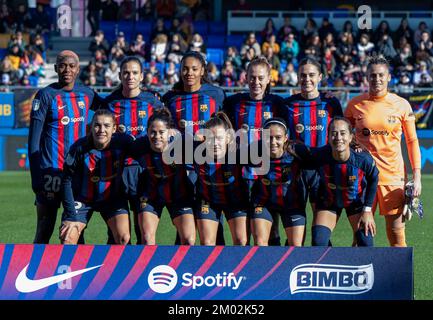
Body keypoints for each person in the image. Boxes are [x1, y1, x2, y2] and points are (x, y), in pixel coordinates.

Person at [345, 55, 422, 247]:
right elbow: (343, 135)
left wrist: (417, 176)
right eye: (372, 75)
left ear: (388, 77)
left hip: (393, 177)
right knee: (360, 237)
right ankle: (357, 276)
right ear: (366, 77)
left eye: (381, 75)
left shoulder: (401, 104)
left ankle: (400, 277)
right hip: (362, 177)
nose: (376, 79)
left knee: (396, 237)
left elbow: (412, 141)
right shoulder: (354, 104)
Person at [28, 50, 102, 244]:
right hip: (50, 174)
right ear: (55, 68)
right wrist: (36, 177)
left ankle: (78, 273)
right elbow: (33, 142)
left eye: (71, 66)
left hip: (77, 175)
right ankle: (34, 272)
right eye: (62, 65)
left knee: (76, 230)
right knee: (44, 230)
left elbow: (112, 107)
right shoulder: (45, 95)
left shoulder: (87, 94)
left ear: (78, 69)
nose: (66, 69)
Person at [162, 51, 226, 245]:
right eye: (185, 69)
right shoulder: (171, 98)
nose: (189, 73)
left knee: (214, 229)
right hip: (182, 170)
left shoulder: (216, 94)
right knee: (184, 232)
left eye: (194, 69)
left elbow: (226, 126)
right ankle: (180, 271)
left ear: (202, 71)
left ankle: (221, 271)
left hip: (211, 171)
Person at [223, 56, 287, 246]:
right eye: (252, 77)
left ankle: (272, 270)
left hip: (270, 175)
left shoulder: (278, 104)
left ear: (269, 79)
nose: (256, 82)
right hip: (241, 176)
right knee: (242, 236)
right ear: (245, 77)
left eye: (260, 78)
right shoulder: (234, 103)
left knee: (270, 230)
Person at [289, 117, 379, 247]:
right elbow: (298, 150)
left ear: (350, 137)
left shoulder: (362, 159)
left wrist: (367, 210)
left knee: (366, 242)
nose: (338, 137)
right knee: (319, 242)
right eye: (334, 133)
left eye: (343, 133)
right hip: (329, 202)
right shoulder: (320, 155)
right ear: (328, 136)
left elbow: (374, 178)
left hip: (356, 202)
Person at [283, 57, 343, 245]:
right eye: (302, 75)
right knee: (294, 239)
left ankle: (325, 268)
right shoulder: (288, 104)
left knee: (320, 237)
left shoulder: (331, 103)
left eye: (311, 75)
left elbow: (341, 135)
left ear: (320, 77)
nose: (306, 79)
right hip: (296, 173)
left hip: (323, 173)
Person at [104, 56, 163, 244]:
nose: (130, 76)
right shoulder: (110, 103)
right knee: (117, 235)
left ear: (142, 76)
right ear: (120, 75)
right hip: (116, 174)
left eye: (135, 73)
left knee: (142, 232)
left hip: (145, 174)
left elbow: (164, 132)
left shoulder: (152, 102)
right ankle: (115, 271)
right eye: (126, 73)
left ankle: (141, 272)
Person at [59, 110, 134, 244]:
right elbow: (66, 180)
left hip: (113, 199)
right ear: (91, 127)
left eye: (107, 125)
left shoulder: (125, 142)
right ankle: (78, 264)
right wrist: (70, 214)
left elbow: (147, 147)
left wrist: (170, 133)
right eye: (97, 125)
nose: (101, 130)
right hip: (83, 199)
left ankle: (113, 264)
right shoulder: (79, 147)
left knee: (124, 238)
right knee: (68, 237)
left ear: (114, 128)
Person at [134, 108, 196, 245]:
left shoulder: (183, 144)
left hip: (179, 196)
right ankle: (147, 265)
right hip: (150, 196)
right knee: (147, 238)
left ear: (170, 132)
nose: (156, 136)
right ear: (147, 132)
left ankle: (179, 265)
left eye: (161, 132)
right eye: (152, 132)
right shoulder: (139, 146)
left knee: (189, 239)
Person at [248, 118, 306, 246]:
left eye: (278, 137)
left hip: (292, 203)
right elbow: (227, 154)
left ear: (286, 137)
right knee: (260, 243)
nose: (273, 142)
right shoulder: (253, 151)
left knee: (296, 246)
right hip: (263, 203)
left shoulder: (298, 152)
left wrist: (353, 146)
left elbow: (325, 155)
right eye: (269, 137)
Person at [194, 112, 249, 245]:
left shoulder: (240, 153)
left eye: (219, 138)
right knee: (207, 242)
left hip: (236, 202)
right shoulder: (194, 152)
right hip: (208, 202)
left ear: (228, 138)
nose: (214, 143)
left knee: (241, 241)